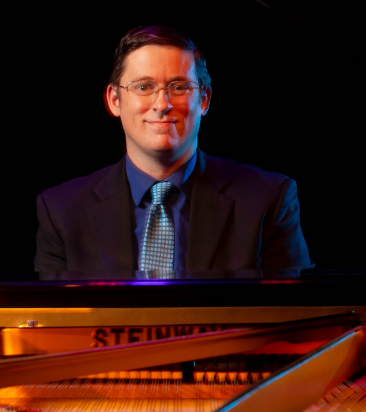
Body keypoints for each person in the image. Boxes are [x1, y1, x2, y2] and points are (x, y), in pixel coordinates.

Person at [34, 25, 311, 273]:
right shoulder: (61, 210)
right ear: (115, 100)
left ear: (204, 100)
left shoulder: (269, 199)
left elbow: (293, 316)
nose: (162, 103)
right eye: (143, 86)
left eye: (179, 87)